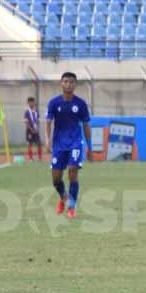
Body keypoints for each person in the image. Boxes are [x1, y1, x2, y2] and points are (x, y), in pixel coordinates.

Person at [45, 72, 92, 218]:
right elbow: (48, 122)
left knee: (72, 171)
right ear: (61, 83)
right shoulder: (54, 103)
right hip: (59, 144)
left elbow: (85, 125)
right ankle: (63, 198)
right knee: (56, 179)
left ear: (75, 84)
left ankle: (71, 206)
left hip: (75, 142)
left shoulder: (81, 104)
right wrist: (47, 139)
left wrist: (89, 144)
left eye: (71, 82)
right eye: (65, 81)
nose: (68, 84)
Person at [23, 96, 43, 161]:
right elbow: (26, 122)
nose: (32, 103)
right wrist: (31, 129)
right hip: (29, 130)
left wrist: (37, 128)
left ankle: (40, 158)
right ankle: (31, 158)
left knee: (39, 143)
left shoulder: (36, 111)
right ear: (28, 103)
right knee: (30, 143)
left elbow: (37, 120)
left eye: (33, 102)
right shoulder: (27, 112)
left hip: (36, 130)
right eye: (30, 102)